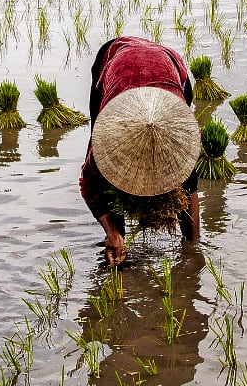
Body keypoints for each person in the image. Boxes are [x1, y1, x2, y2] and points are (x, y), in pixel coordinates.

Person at [80, 36, 202, 266]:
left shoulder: (182, 135)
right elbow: (89, 183)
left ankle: (191, 239)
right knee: (107, 175)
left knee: (182, 170)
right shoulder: (108, 136)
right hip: (116, 59)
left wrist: (193, 251)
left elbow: (189, 179)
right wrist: (112, 230)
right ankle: (117, 241)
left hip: (168, 63)